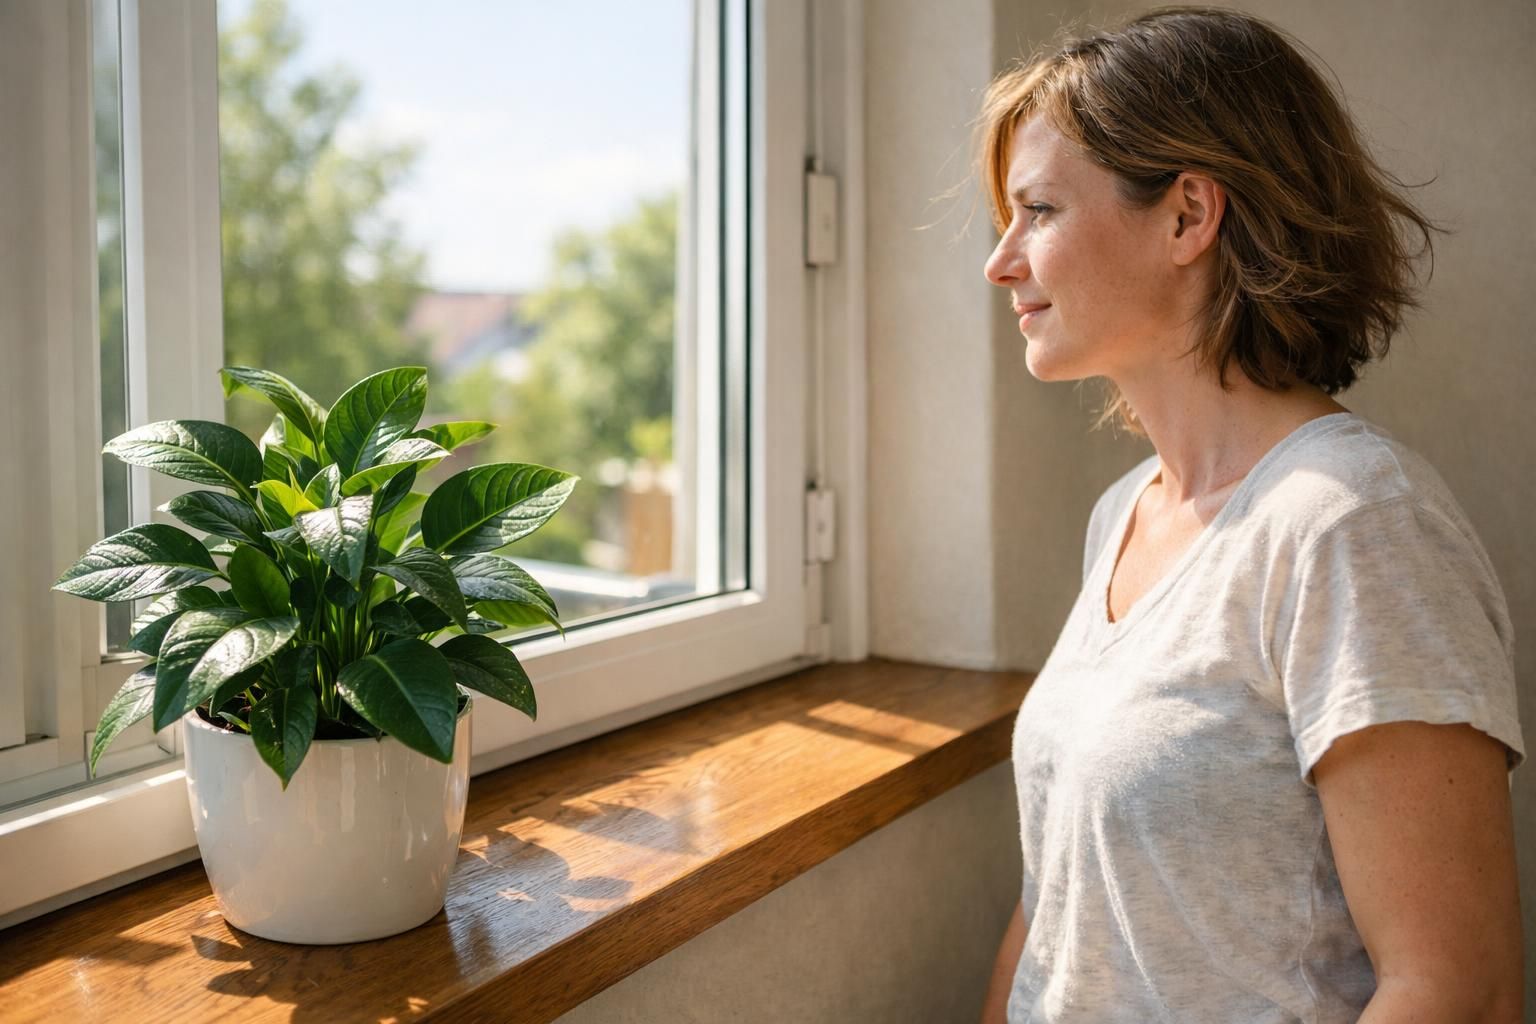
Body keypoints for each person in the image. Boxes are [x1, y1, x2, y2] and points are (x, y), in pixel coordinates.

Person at [971, 7, 1525, 1022]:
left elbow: (1459, 989)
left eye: (1039, 210)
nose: (1001, 262)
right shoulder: (1123, 515)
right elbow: (1058, 907)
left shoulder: (1353, 524)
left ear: (1188, 215)